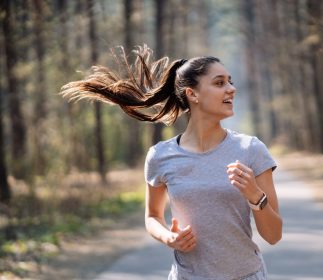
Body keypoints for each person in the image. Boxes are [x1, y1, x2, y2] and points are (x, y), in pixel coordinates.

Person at [60, 45, 283, 280]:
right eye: (220, 83)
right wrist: (168, 237)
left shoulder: (250, 150)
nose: (232, 89)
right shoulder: (160, 156)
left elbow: (274, 235)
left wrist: (255, 195)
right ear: (192, 94)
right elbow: (153, 216)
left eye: (230, 82)